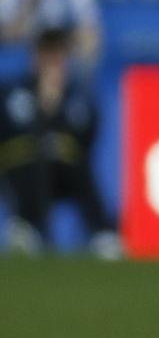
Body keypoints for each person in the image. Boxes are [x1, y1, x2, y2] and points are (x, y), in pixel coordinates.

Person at [0, 26, 116, 256]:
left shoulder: (77, 96)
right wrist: (42, 107)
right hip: (22, 165)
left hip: (63, 166)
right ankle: (27, 228)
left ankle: (102, 232)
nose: (51, 62)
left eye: (57, 55)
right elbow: (7, 130)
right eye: (46, 54)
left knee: (80, 169)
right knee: (30, 166)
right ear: (35, 57)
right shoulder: (12, 91)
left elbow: (86, 136)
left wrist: (55, 109)